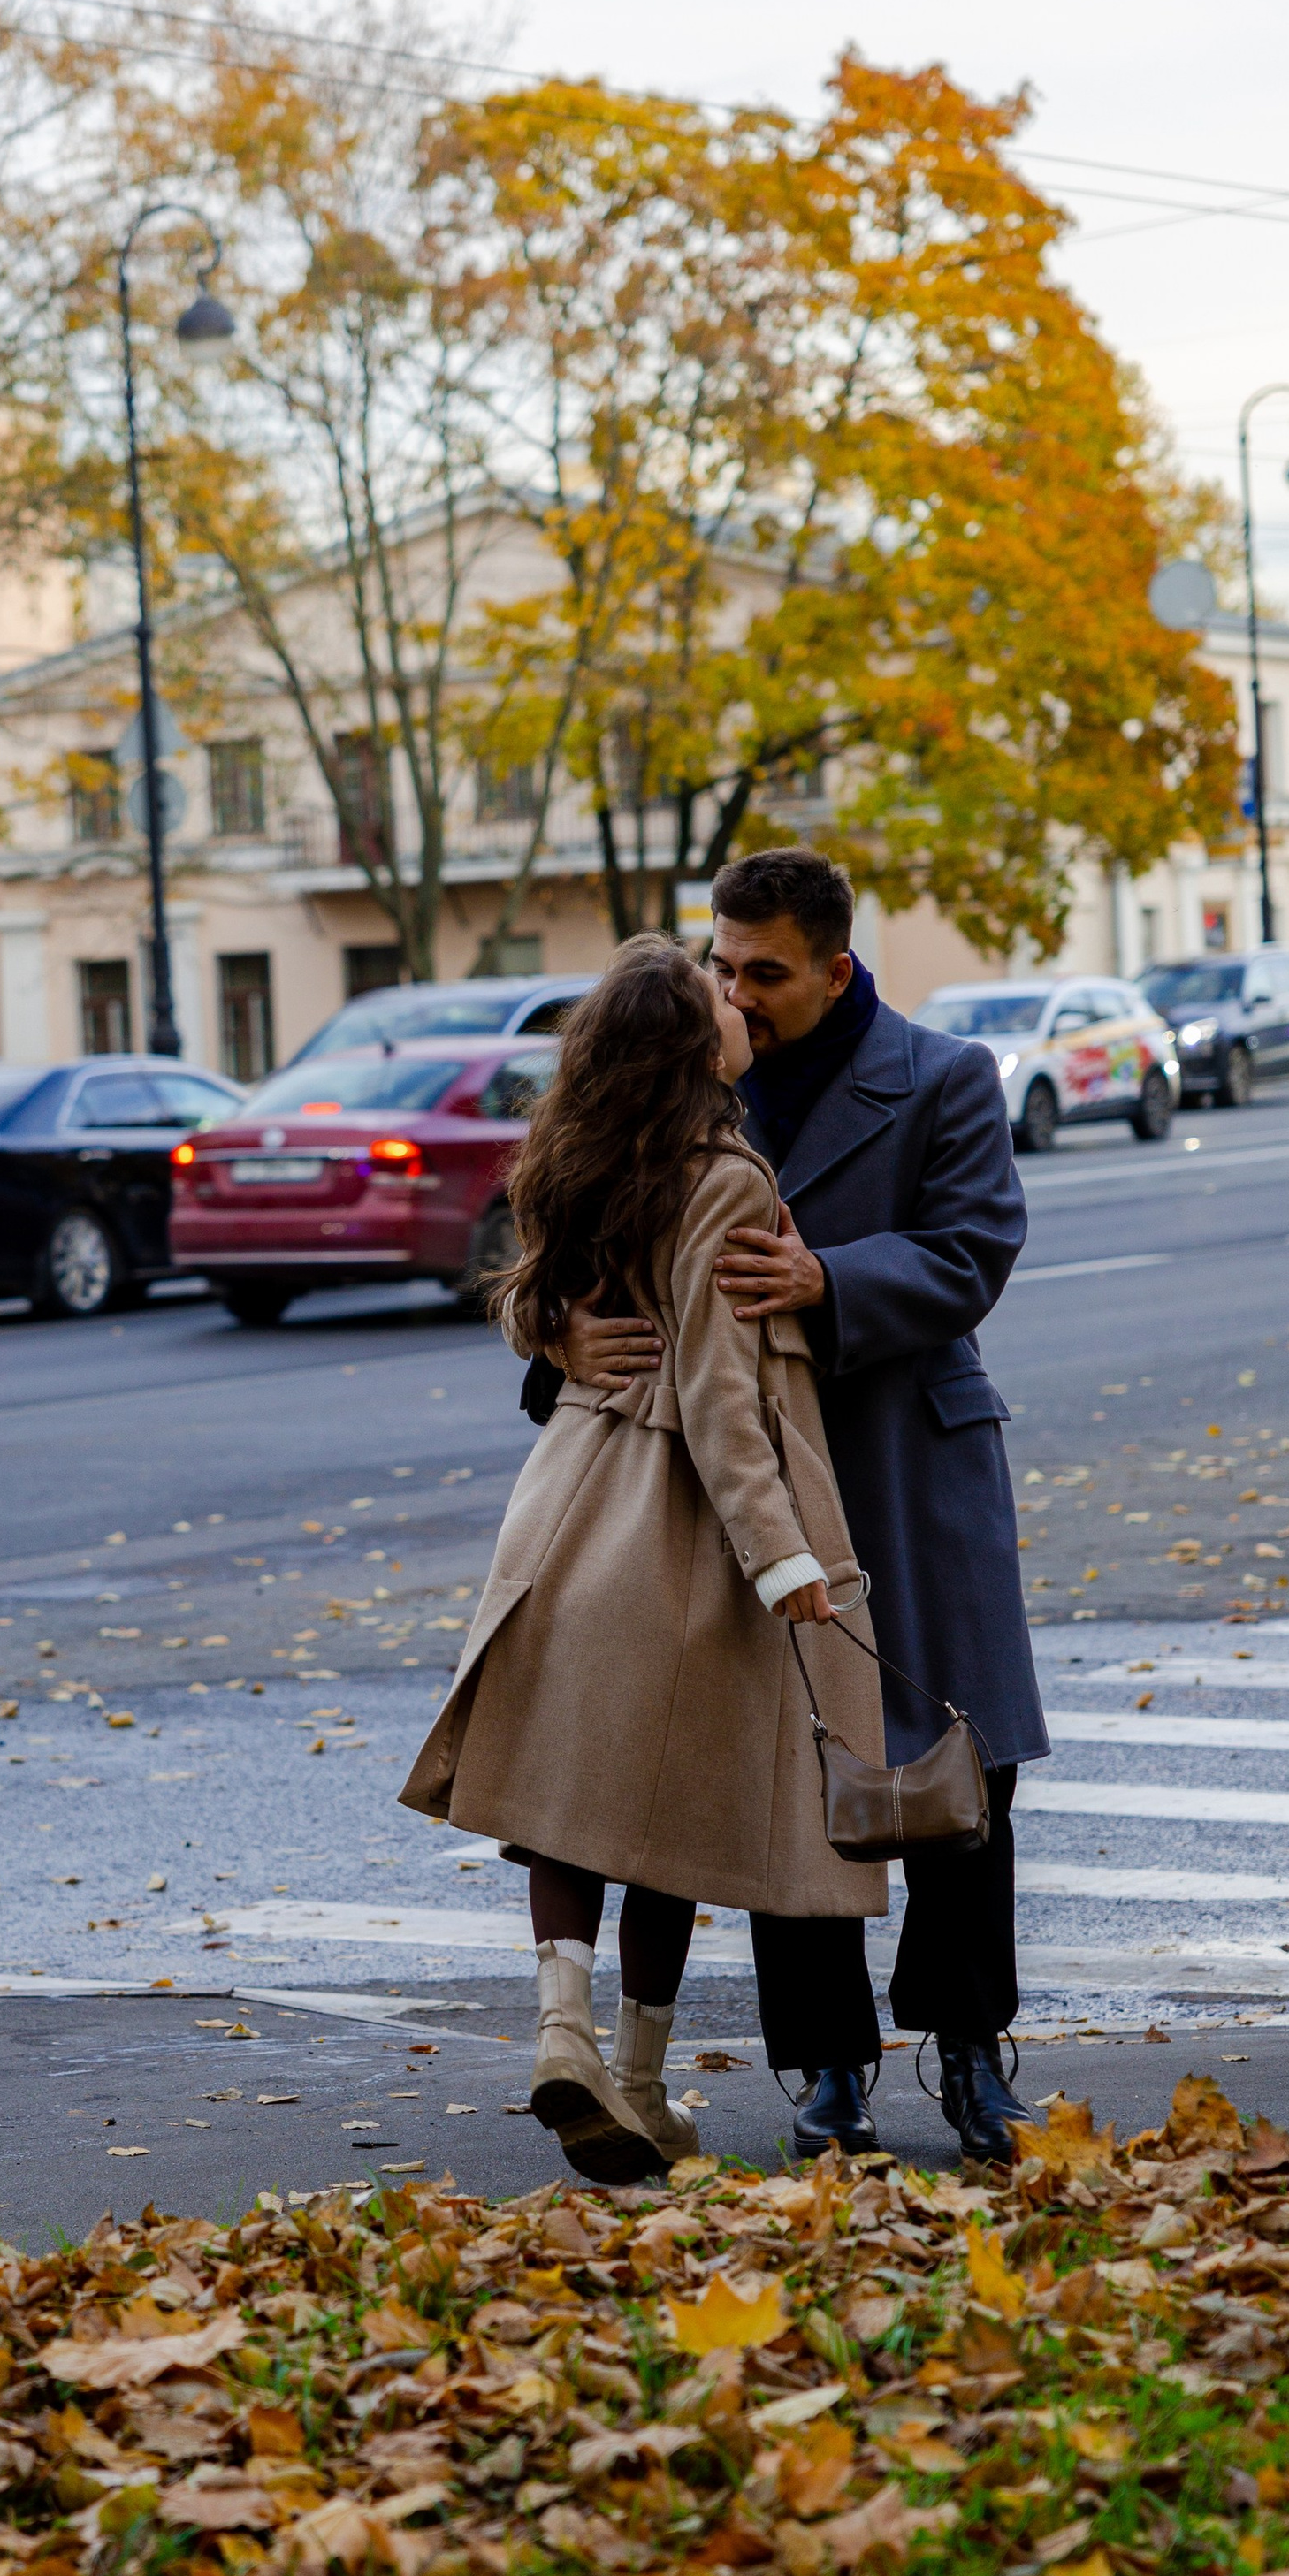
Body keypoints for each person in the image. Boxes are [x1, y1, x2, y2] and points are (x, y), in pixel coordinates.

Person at [544, 847, 1047, 2163]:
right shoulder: (688, 1075)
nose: (735, 993)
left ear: (836, 969)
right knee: (791, 1763)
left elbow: (977, 1247)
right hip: (749, 1474)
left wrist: (833, 1280)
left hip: (911, 1462)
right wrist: (559, 1340)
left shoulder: (944, 1076)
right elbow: (581, 1241)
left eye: (763, 972)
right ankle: (827, 2068)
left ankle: (970, 2048)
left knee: (963, 1763)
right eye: (721, 964)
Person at [400, 933, 886, 2184]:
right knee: (667, 1805)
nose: (737, 1002)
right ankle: (640, 2077)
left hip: (564, 1501)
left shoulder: (574, 1157)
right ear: (689, 1052)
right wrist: (782, 1560)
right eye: (715, 994)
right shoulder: (723, 1177)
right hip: (672, 1523)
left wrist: (553, 1329)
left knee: (572, 1791)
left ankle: (567, 2036)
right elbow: (722, 1400)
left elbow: (525, 1296)